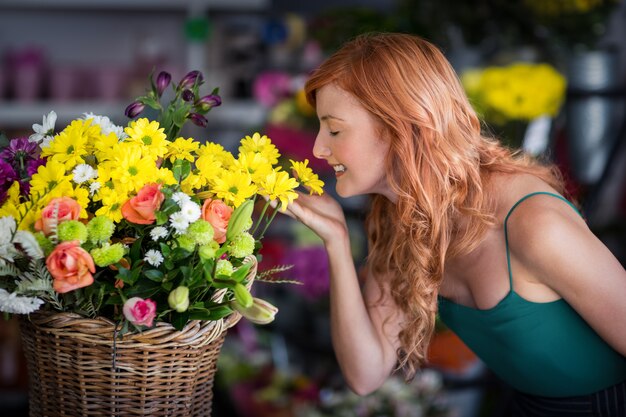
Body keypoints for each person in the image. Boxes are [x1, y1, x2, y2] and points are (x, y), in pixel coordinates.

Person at [276, 32, 626, 416]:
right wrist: (337, 243)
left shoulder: (534, 222)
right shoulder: (402, 220)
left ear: (400, 126)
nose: (318, 149)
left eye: (335, 129)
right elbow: (365, 373)